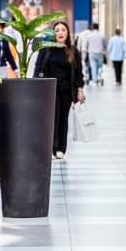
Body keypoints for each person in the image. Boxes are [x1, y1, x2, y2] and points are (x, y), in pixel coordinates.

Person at [34, 21, 86, 160]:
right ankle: (51, 148)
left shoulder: (73, 51)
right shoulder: (45, 50)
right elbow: (38, 69)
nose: (60, 32)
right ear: (53, 34)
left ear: (67, 33)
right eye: (57, 30)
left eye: (63, 30)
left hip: (67, 91)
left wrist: (80, 90)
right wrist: (35, 87)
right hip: (49, 91)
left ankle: (61, 149)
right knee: (52, 120)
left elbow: (79, 73)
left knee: (63, 119)